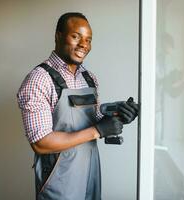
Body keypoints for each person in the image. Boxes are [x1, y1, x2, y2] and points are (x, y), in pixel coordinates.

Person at [17, 12, 139, 200]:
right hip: (59, 181)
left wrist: (119, 114)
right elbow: (41, 143)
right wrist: (97, 131)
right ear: (58, 36)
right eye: (76, 36)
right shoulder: (39, 79)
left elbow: (93, 118)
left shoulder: (89, 78)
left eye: (88, 40)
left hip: (90, 175)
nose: (84, 44)